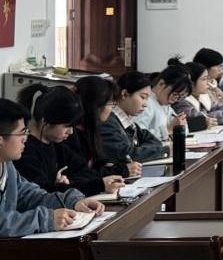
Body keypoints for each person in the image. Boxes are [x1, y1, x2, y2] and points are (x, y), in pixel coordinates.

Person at [0, 98, 104, 237]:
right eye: (21, 133)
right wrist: (46, 219)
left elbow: (30, 196)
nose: (25, 138)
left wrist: (72, 202)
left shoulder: (7, 165)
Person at [14, 84, 124, 196]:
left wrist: (69, 183)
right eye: (67, 126)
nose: (71, 132)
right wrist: (98, 185)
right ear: (45, 121)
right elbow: (43, 192)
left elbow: (84, 171)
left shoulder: (57, 145)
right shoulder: (25, 151)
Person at [67, 76, 141, 178]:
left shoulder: (90, 129)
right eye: (111, 104)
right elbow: (80, 174)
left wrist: (108, 166)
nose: (111, 109)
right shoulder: (70, 134)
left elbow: (97, 163)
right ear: (97, 105)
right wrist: (119, 170)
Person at [100, 72, 168, 164]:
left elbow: (154, 141)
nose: (145, 104)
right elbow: (128, 156)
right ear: (124, 94)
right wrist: (162, 150)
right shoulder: (107, 122)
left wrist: (140, 151)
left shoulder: (128, 121)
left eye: (147, 99)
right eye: (143, 97)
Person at [131, 66, 191, 142]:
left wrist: (180, 124)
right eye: (175, 94)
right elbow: (138, 136)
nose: (175, 100)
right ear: (161, 84)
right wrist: (168, 130)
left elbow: (183, 129)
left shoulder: (166, 106)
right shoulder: (146, 103)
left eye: (180, 97)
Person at [171, 60, 221, 128]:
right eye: (204, 79)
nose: (208, 82)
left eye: (207, 78)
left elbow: (219, 108)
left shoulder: (202, 96)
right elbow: (203, 118)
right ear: (191, 83)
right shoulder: (181, 102)